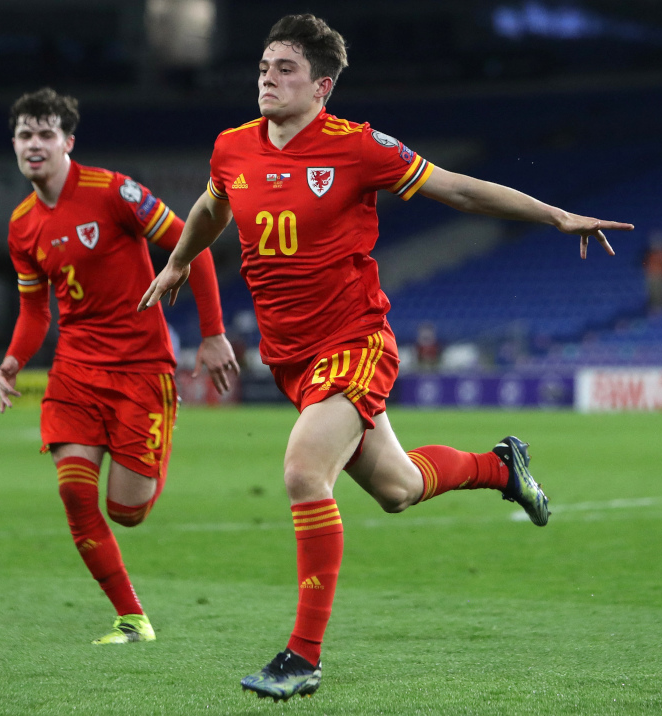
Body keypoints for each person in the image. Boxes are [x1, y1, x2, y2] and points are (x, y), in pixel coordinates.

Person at [140, 14, 634, 701]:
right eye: (262, 66)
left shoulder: (358, 147)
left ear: (323, 85)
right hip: (292, 359)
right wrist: (178, 262)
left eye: (285, 68)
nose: (268, 78)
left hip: (355, 341)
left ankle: (302, 657)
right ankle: (502, 467)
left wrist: (554, 216)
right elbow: (212, 204)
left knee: (303, 471)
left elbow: (457, 188)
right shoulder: (232, 147)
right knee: (398, 490)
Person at [0, 88, 238, 645]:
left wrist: (214, 333)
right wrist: (12, 361)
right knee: (75, 494)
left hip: (140, 368)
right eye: (25, 135)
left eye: (46, 134)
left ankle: (154, 450)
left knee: (126, 512)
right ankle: (132, 619)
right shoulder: (22, 225)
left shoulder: (114, 192)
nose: (35, 144)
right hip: (75, 370)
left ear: (67, 142)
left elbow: (191, 247)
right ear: (14, 144)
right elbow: (35, 309)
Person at [642, 229, 662, 313]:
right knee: (652, 292)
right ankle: (654, 308)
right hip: (652, 276)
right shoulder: (649, 253)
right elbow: (644, 263)